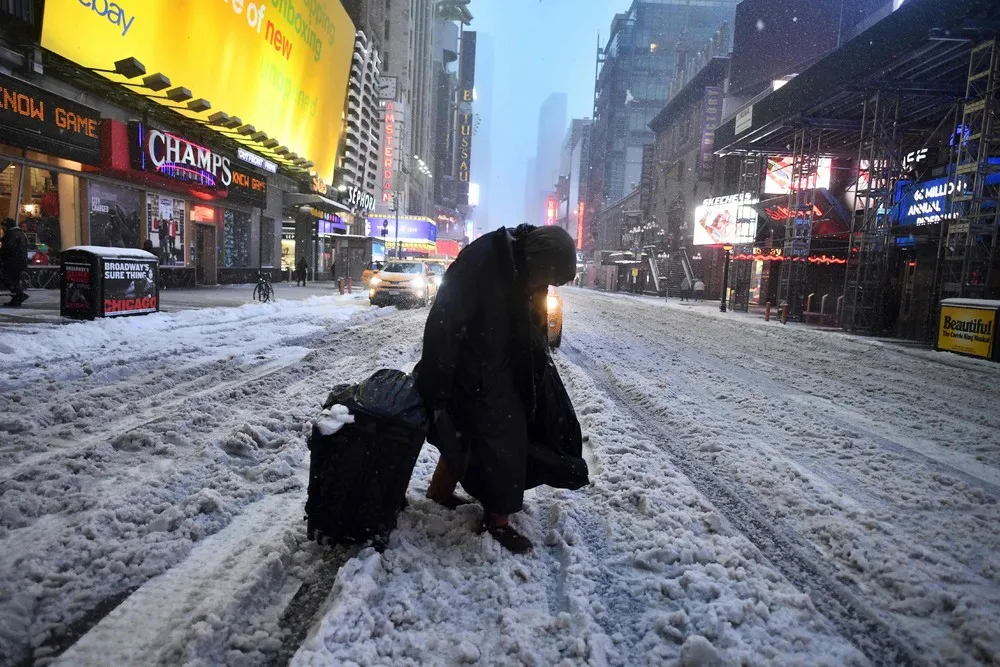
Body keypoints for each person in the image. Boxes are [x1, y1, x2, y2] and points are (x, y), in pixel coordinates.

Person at [416, 224, 580, 554]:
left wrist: (537, 359)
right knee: (504, 435)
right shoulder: (482, 261)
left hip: (501, 357)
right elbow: (443, 323)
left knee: (468, 431)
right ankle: (497, 521)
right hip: (470, 362)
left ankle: (440, 490)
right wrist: (437, 379)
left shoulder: (525, 262)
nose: (544, 285)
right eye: (547, 277)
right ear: (538, 261)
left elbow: (533, 314)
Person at [0, 218, 29, 307]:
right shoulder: (21, 233)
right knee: (13, 280)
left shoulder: (11, 234)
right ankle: (18, 297)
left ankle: (19, 295)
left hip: (12, 262)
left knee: (7, 278)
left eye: (4, 226)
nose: (3, 228)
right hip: (20, 261)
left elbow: (8, 248)